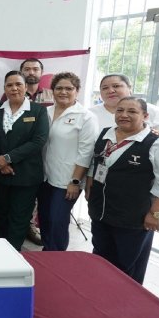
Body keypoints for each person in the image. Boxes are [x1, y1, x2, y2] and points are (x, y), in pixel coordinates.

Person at [86, 97, 159, 284]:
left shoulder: (157, 143)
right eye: (120, 110)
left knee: (127, 264)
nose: (124, 115)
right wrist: (89, 188)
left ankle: (126, 303)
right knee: (100, 257)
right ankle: (100, 294)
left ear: (145, 115)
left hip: (132, 217)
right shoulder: (106, 134)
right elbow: (95, 164)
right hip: (101, 211)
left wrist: (155, 214)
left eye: (132, 111)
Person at [0, 71, 49, 251]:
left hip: (27, 174)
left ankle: (13, 251)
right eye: (9, 85)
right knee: (2, 212)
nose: (14, 88)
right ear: (4, 88)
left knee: (20, 215)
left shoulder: (38, 111)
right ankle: (2, 246)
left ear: (25, 87)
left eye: (18, 84)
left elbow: (38, 141)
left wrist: (7, 158)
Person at [38, 72, 98, 251]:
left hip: (67, 180)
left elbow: (86, 152)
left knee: (57, 220)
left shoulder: (86, 117)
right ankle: (47, 253)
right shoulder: (45, 112)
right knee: (45, 218)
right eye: (59, 88)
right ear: (52, 90)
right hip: (44, 177)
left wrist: (75, 181)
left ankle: (56, 257)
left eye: (69, 88)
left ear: (77, 91)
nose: (63, 92)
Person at [90, 73, 159, 136]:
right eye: (105, 88)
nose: (110, 91)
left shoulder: (152, 110)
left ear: (130, 88)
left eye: (116, 86)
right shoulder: (90, 113)